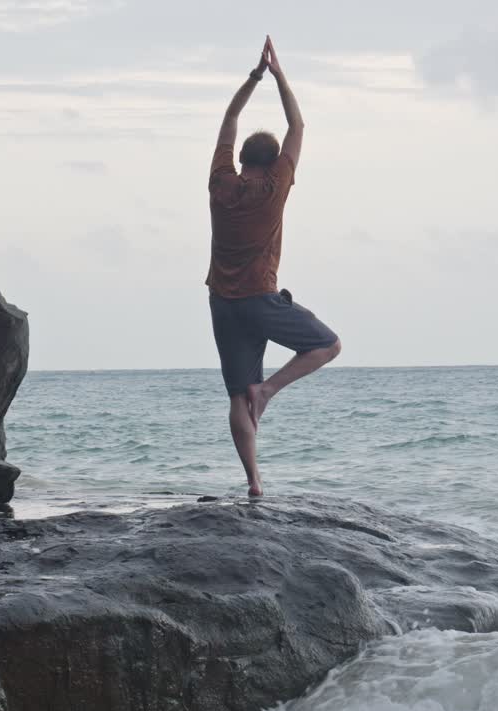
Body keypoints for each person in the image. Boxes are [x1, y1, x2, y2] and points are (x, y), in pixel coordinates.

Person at [206, 36, 341, 498]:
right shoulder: (275, 187)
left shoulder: (220, 183)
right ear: (272, 163)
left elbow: (229, 120)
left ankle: (254, 483)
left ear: (243, 160)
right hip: (260, 299)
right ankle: (269, 392)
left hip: (222, 304)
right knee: (328, 344)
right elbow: (297, 125)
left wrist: (253, 79)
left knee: (235, 395)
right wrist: (280, 75)